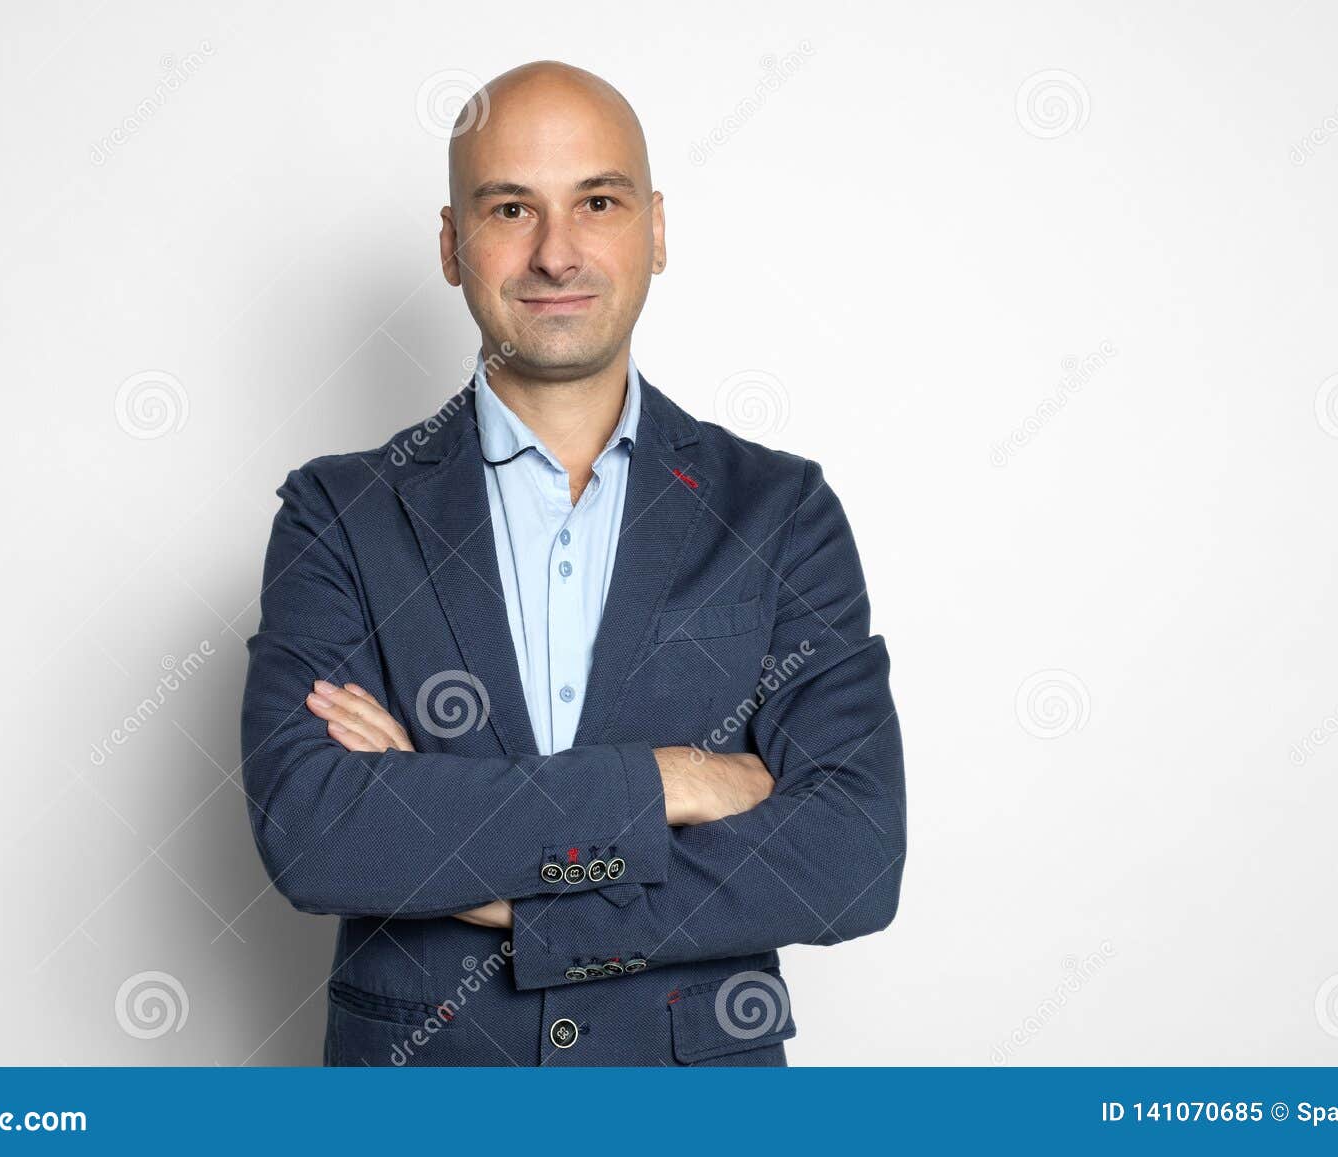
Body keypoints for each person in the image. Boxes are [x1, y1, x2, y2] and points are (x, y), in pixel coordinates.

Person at [240, 60, 905, 1066]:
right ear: (452, 245)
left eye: (597, 200)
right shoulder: (339, 513)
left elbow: (849, 855)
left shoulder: (780, 511)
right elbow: (318, 831)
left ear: (656, 229)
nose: (556, 251)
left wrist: (503, 886)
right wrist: (668, 779)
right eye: (511, 207)